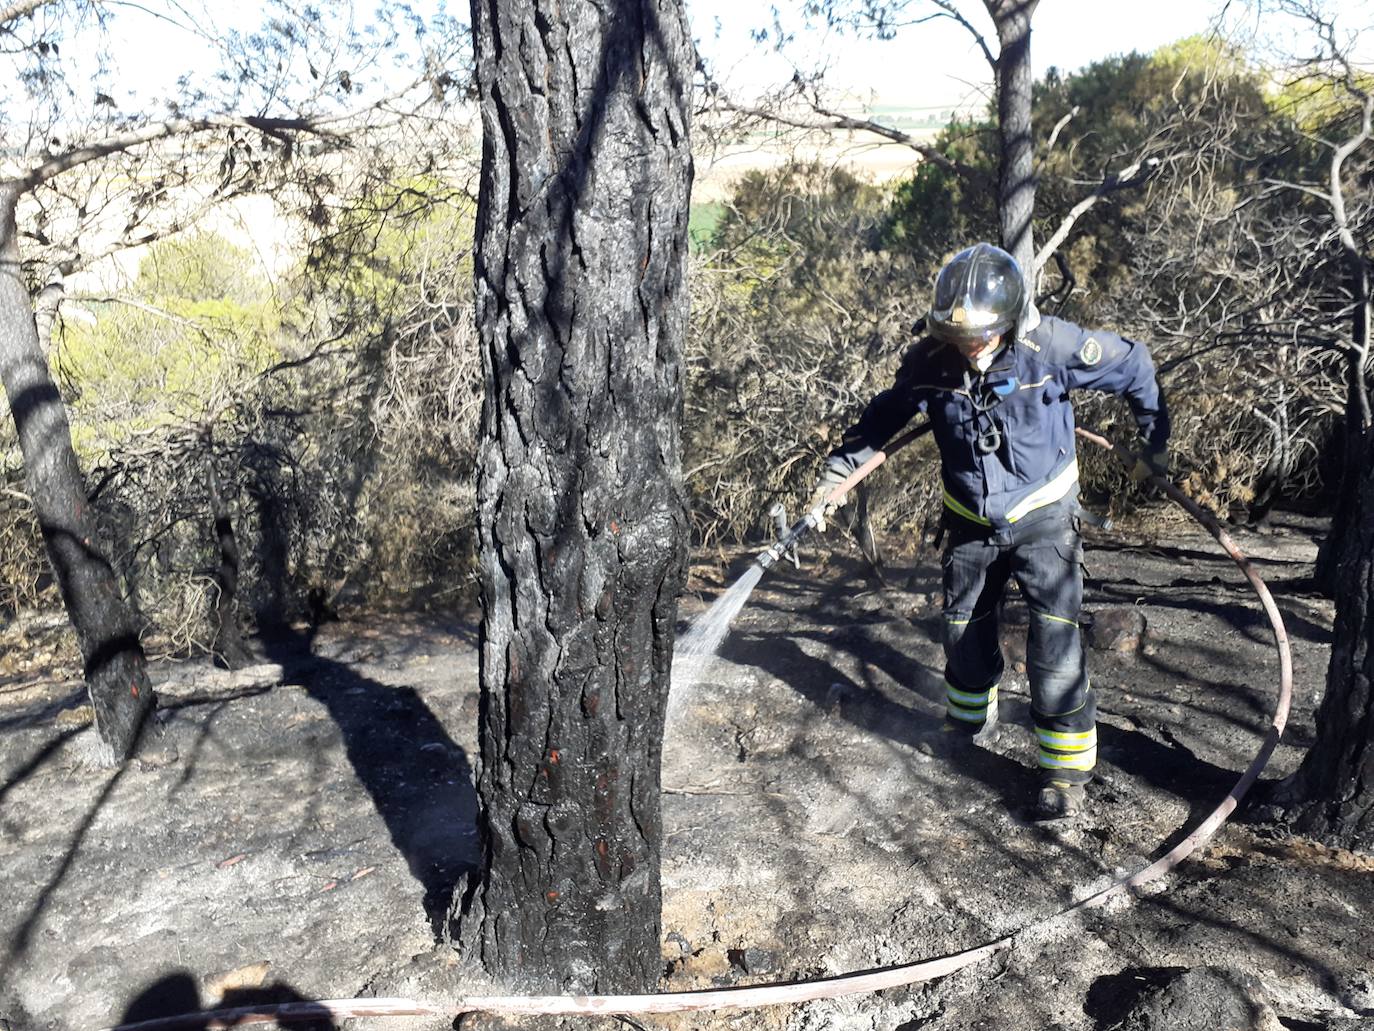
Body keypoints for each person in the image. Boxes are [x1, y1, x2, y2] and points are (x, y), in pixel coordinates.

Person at [810, 242, 1169, 819]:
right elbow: (884, 417)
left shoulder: (1052, 347)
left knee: (1054, 645)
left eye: (980, 335)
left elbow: (1135, 365)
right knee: (962, 633)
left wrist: (1154, 445)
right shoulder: (932, 362)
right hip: (971, 522)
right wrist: (836, 476)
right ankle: (968, 725)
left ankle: (1065, 770)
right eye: (958, 336)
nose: (970, 345)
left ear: (1010, 320)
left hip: (1044, 517)